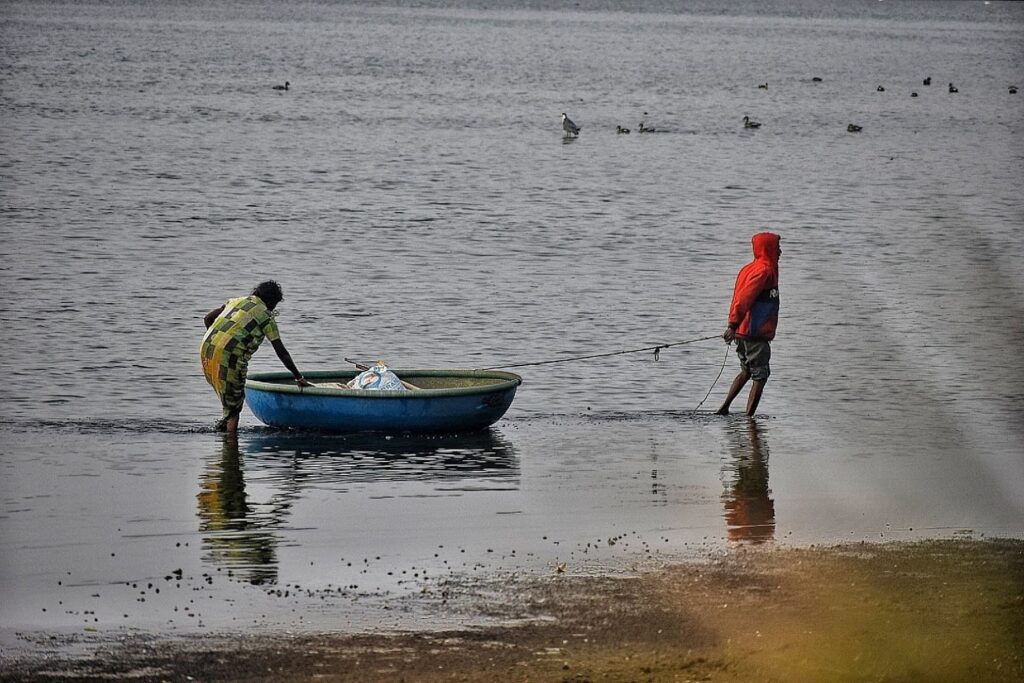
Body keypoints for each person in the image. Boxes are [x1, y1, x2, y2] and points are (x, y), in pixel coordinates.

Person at [200, 280, 311, 432]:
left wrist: (218, 342)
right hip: (230, 356)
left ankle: (222, 432)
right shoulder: (265, 316)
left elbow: (207, 318)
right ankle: (231, 445)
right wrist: (298, 377)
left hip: (207, 349)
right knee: (234, 407)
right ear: (272, 301)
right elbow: (281, 351)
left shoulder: (236, 301)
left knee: (229, 400)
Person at [715, 232, 781, 417]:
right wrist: (733, 325)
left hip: (743, 332)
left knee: (746, 371)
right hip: (754, 333)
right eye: (777, 247)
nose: (780, 251)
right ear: (768, 249)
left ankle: (724, 409)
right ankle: (749, 418)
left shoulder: (750, 268)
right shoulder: (764, 270)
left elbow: (739, 298)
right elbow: (743, 299)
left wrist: (735, 327)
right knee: (760, 376)